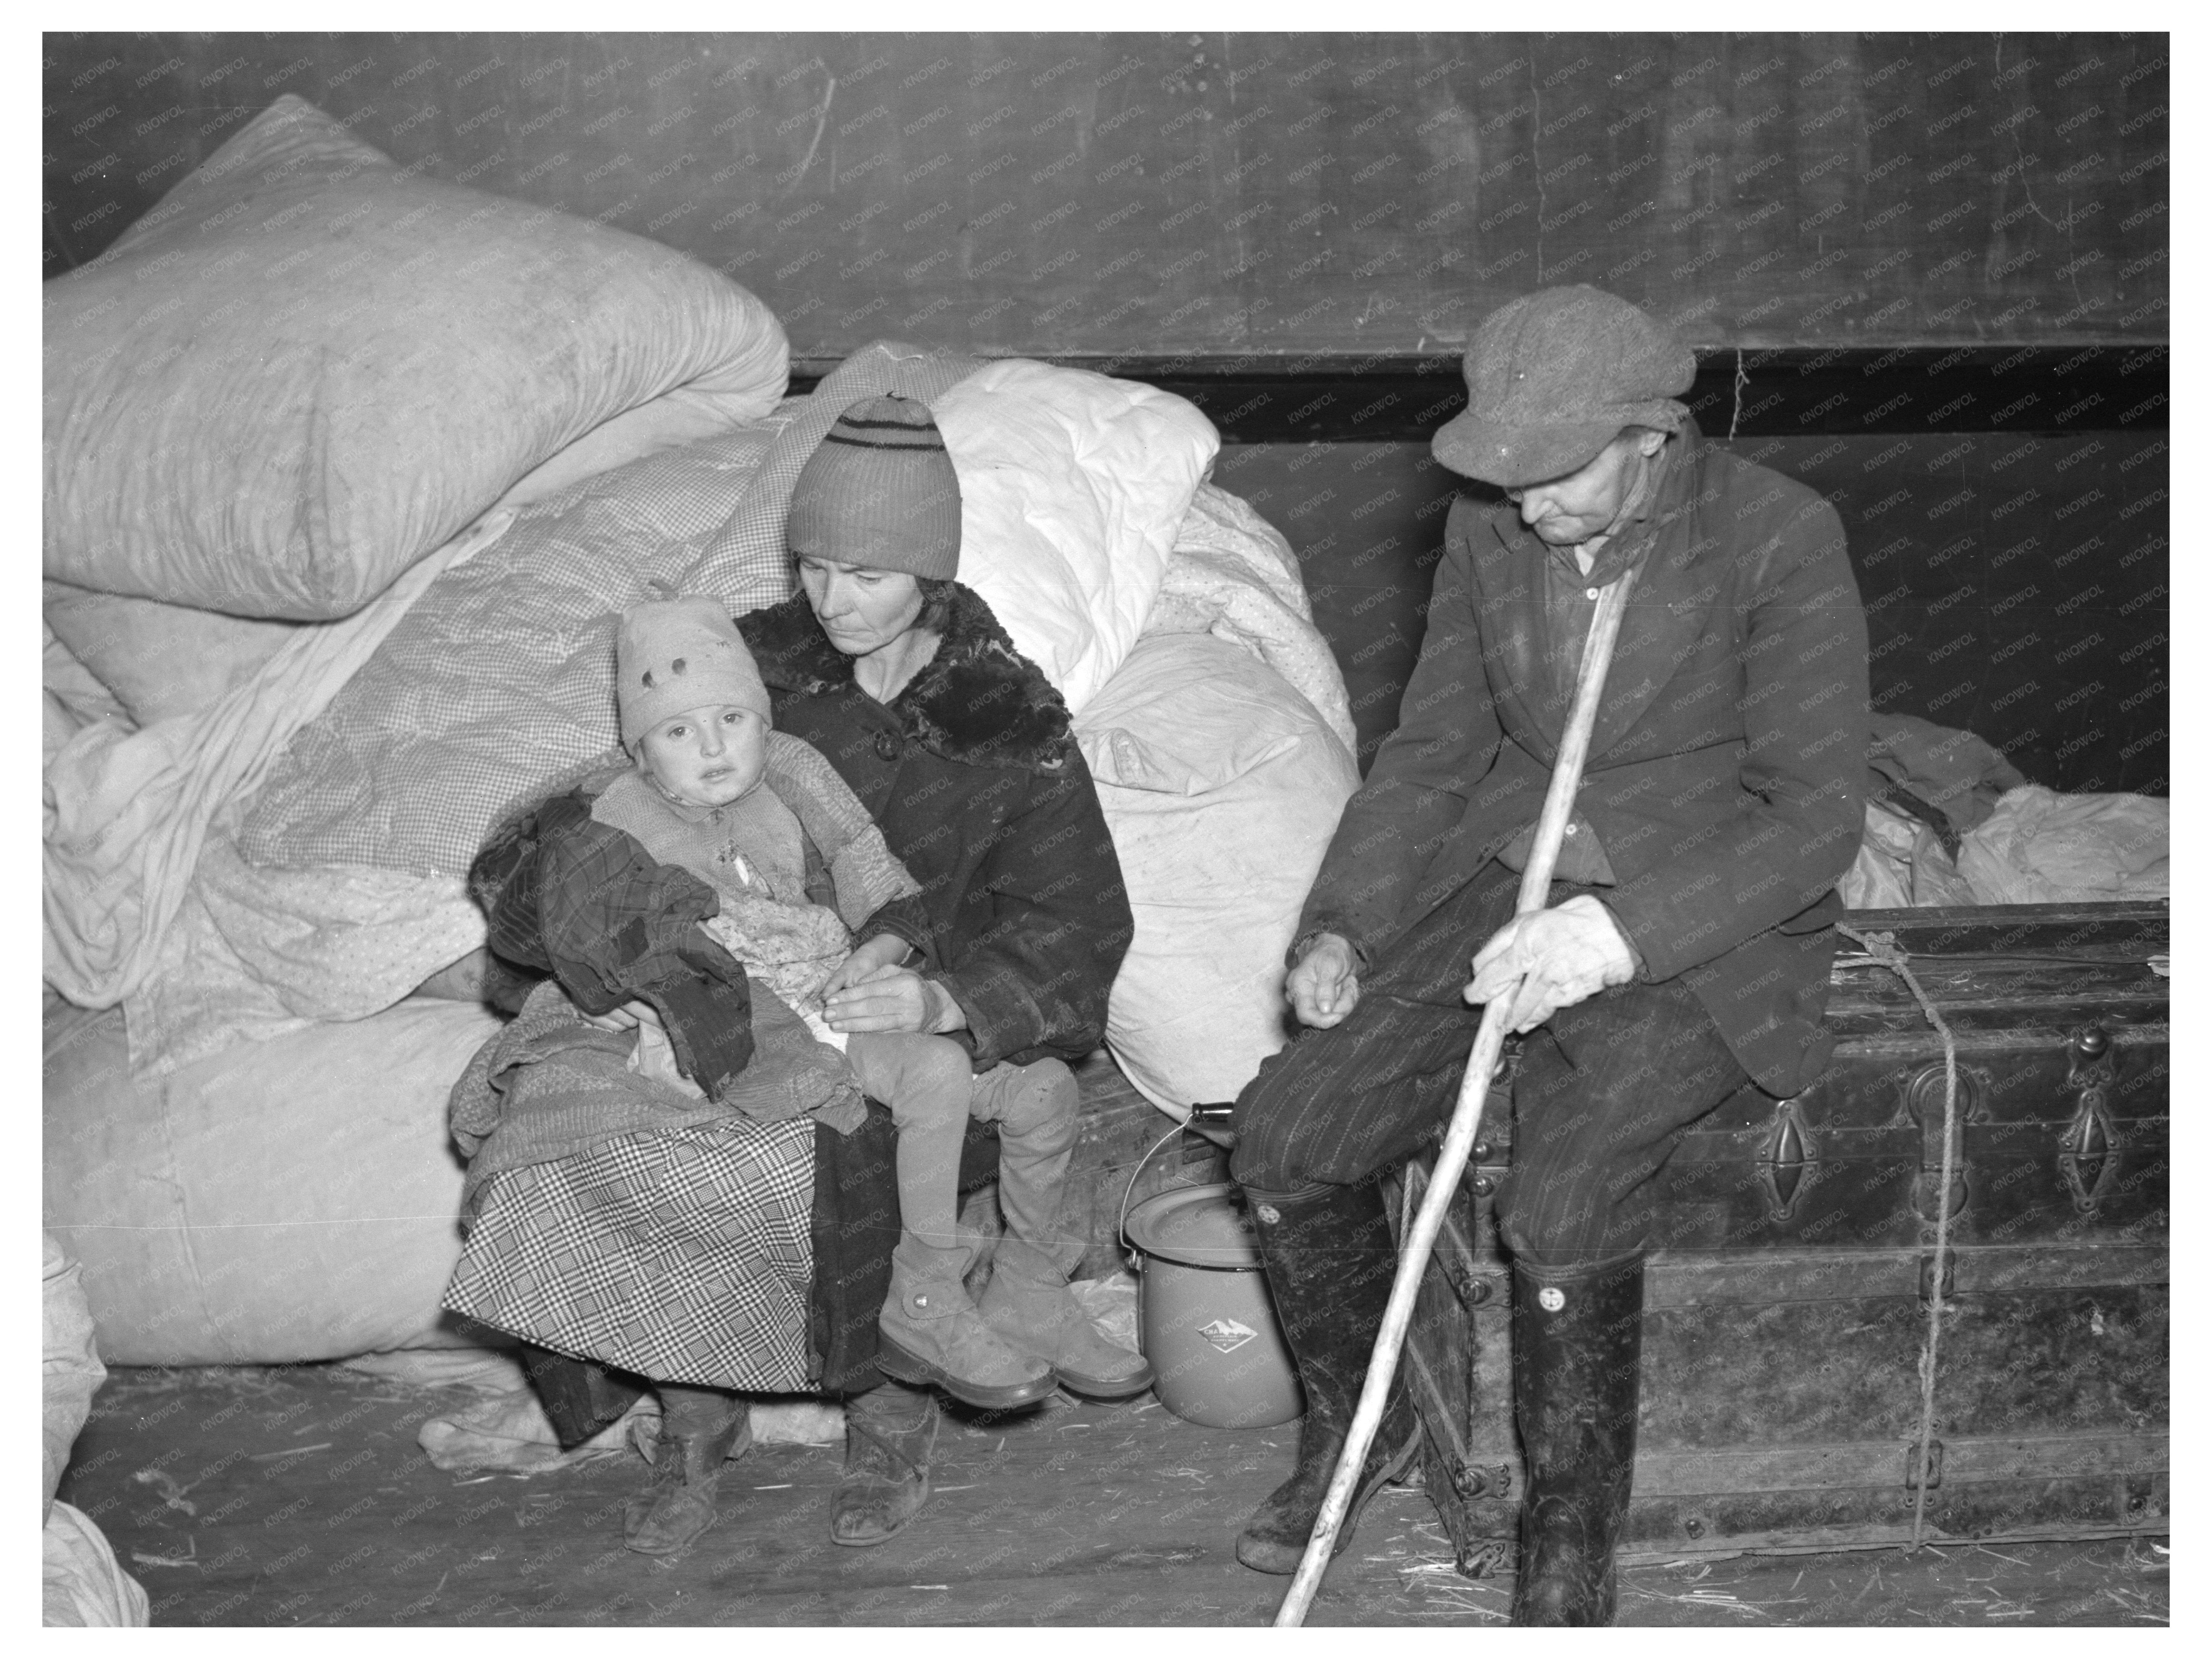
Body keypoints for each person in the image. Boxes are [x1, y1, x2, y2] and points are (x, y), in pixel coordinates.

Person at [1224, 286, 1869, 1624]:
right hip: (1505, 869)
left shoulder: (1777, 534)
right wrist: (1342, 919)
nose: (1525, 507)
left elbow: (1815, 816)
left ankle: (1569, 1537)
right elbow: (1436, 750)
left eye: (1556, 474)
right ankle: (1369, 1427)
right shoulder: (1488, 528)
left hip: (1703, 907)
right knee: (1290, 1133)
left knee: (1562, 1198)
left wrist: (1620, 934)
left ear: (1654, 435)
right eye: (1501, 475)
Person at [733, 392, 1146, 1546]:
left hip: (931, 1017)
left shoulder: (1003, 709)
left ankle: (928, 1382)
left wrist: (946, 996)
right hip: (764, 991)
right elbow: (644, 804)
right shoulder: (755, 672)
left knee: (962, 1114)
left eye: (867, 573)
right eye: (813, 568)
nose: (832, 601)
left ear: (930, 567)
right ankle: (732, 1423)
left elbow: (1081, 918)